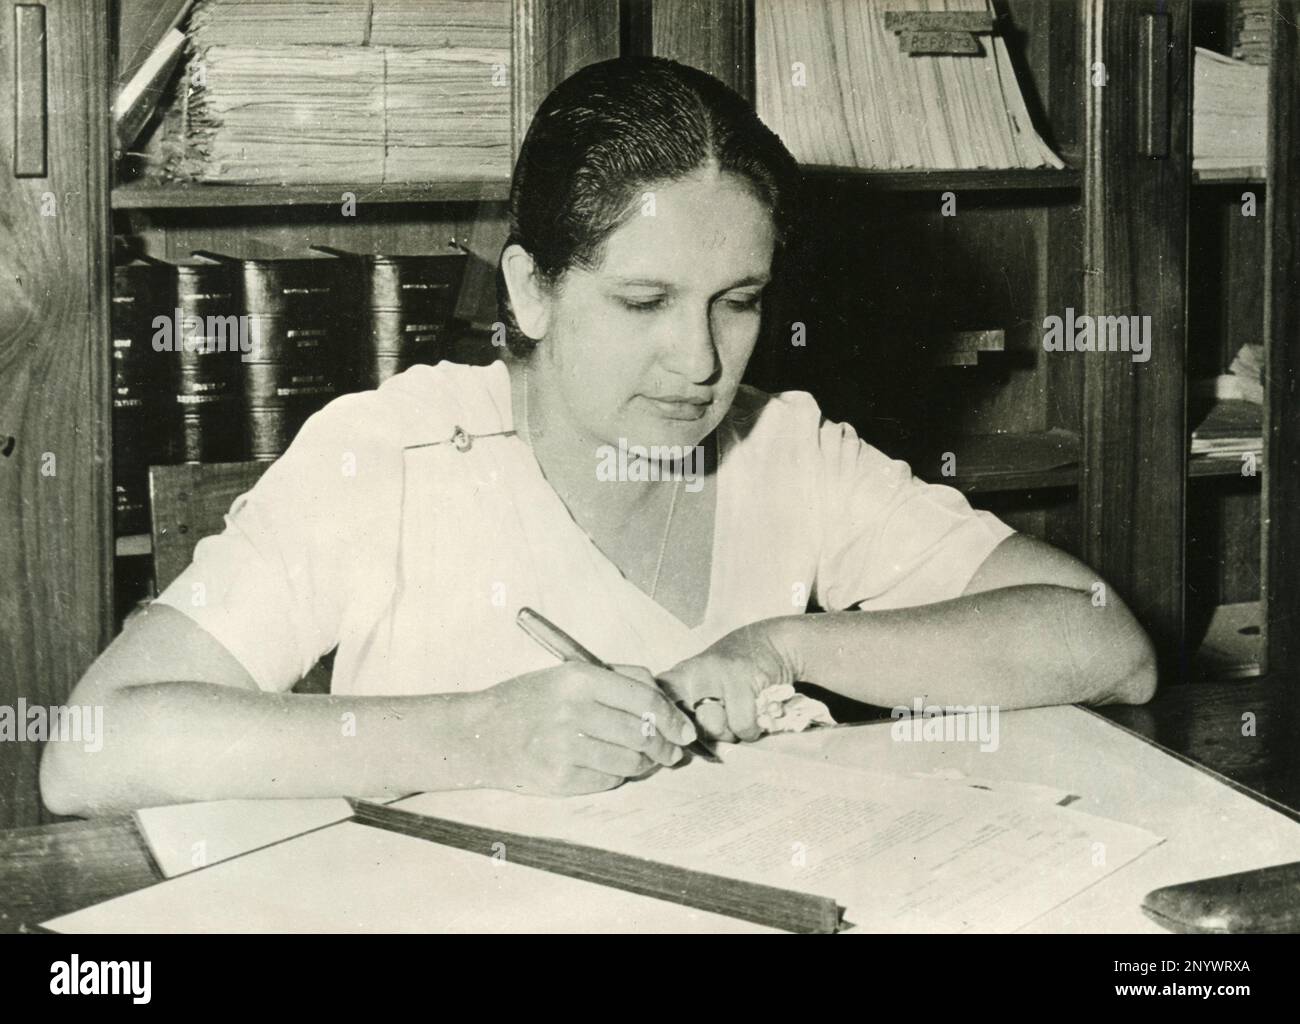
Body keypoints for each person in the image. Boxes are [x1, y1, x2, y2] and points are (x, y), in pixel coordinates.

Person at [41, 57, 1154, 817]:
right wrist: (475, 736)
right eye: (642, 303)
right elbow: (90, 750)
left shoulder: (786, 450)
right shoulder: (391, 454)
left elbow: (1108, 646)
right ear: (530, 292)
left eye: (739, 298)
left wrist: (781, 647)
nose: (702, 361)